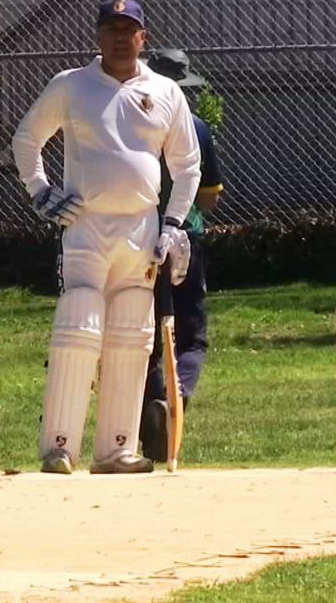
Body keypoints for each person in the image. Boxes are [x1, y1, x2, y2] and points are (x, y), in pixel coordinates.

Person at [12, 0, 201, 475]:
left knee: (132, 335)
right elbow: (27, 138)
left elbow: (187, 165)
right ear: (98, 35)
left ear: (144, 37)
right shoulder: (72, 87)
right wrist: (39, 190)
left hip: (141, 227)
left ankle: (117, 449)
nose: (121, 38)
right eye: (111, 29)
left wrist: (175, 224)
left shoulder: (165, 93)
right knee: (80, 326)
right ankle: (59, 447)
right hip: (86, 224)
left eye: (129, 29)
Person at [138, 49, 225, 463]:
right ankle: (180, 396)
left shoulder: (135, 125)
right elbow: (208, 195)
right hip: (184, 238)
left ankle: (152, 405)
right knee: (191, 334)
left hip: (136, 237)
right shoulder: (197, 128)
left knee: (144, 334)